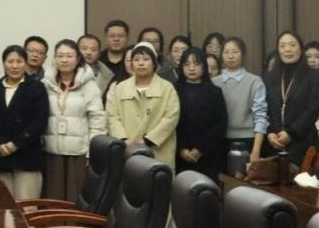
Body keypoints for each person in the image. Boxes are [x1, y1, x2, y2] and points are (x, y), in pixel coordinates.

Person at [43, 39, 106, 201]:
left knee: (75, 196)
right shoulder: (45, 83)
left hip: (78, 152)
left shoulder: (89, 85)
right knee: (53, 197)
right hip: (51, 150)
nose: (64, 60)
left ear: (78, 59)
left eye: (69, 56)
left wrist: (92, 151)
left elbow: (97, 119)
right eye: (60, 56)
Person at [0, 45, 49, 201]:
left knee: (26, 207)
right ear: (3, 63)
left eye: (19, 62)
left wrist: (16, 144)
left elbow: (40, 120)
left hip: (27, 156)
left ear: (25, 63)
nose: (14, 66)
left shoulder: (36, 88)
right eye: (10, 61)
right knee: (2, 207)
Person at [106, 42, 180, 170]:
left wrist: (148, 140)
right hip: (128, 148)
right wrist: (124, 140)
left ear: (154, 63)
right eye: (136, 60)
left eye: (146, 59)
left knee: (157, 179)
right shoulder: (121, 87)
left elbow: (171, 118)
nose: (141, 63)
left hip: (158, 150)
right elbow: (112, 116)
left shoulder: (167, 88)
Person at [263, 31, 319, 166]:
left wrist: (291, 133)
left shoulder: (314, 76)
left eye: (292, 45)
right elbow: (264, 109)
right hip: (274, 144)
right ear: (278, 50)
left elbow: (313, 110)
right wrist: (269, 132)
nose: (287, 49)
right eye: (282, 45)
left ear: (301, 49)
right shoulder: (269, 77)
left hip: (303, 143)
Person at [174, 47, 227, 182]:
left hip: (208, 156)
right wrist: (181, 149)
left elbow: (220, 125)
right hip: (179, 156)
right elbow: (170, 123)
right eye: (187, 64)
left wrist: (201, 149)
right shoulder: (173, 90)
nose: (192, 68)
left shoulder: (215, 92)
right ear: (181, 67)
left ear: (204, 66)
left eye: (196, 64)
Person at [215, 37, 267, 165]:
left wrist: (256, 150)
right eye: (226, 52)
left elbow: (261, 116)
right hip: (219, 139)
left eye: (235, 52)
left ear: (242, 54)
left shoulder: (254, 81)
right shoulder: (214, 82)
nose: (230, 56)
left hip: (248, 139)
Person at [78, 33, 113, 102]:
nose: (88, 52)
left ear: (99, 53)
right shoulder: (67, 73)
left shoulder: (108, 75)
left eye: (93, 49)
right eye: (84, 49)